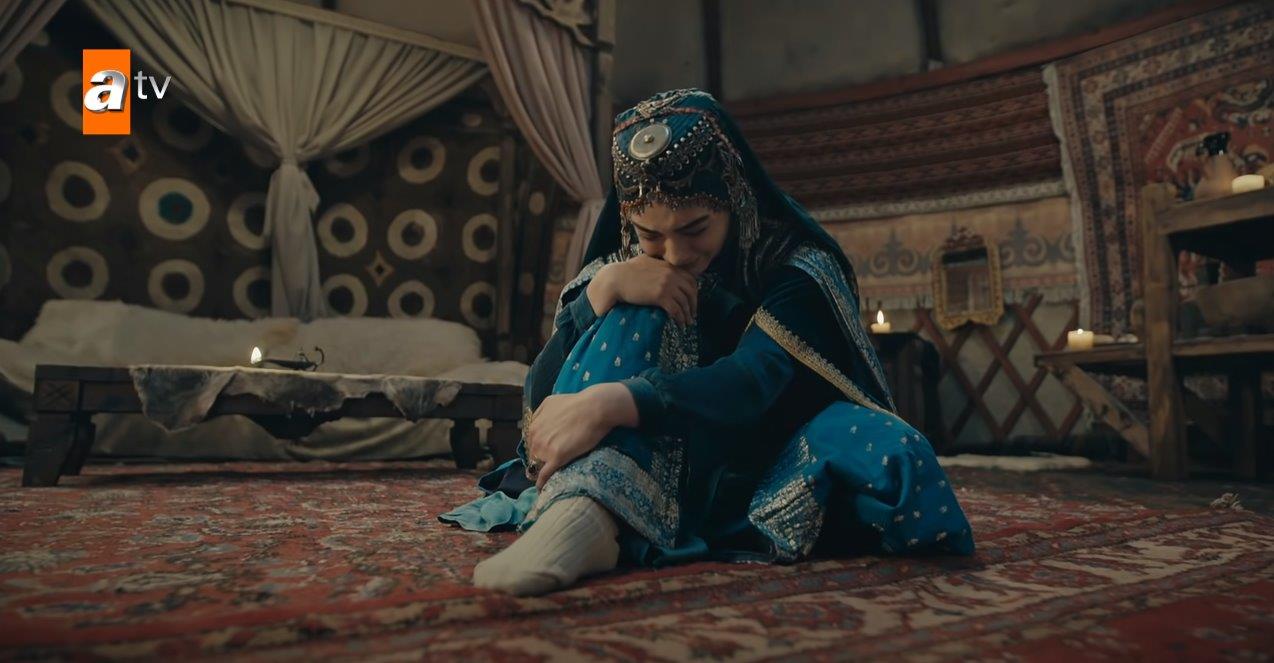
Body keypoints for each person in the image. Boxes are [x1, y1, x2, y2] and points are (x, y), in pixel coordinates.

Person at [440, 89, 974, 596]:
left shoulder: (795, 265)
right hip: (646, 448)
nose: (674, 254)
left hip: (760, 454)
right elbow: (542, 396)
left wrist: (615, 401)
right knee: (640, 301)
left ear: (735, 197)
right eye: (650, 235)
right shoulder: (623, 266)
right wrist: (601, 293)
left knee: (896, 455)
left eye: (695, 228)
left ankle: (640, 519)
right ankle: (587, 513)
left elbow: (753, 381)